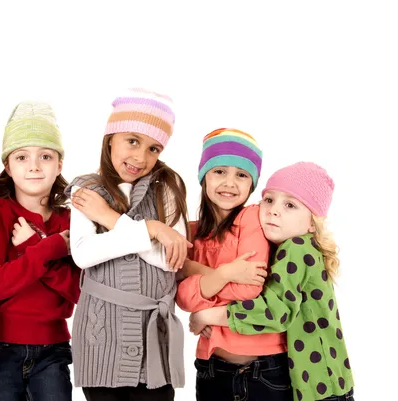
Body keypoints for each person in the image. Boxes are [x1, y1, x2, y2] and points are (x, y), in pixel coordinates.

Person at [65, 88, 191, 401]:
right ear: (110, 138)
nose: (140, 157)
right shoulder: (86, 189)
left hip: (154, 339)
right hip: (101, 339)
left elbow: (169, 260)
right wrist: (150, 229)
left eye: (153, 148)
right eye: (132, 140)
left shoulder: (167, 190)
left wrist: (109, 218)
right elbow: (84, 254)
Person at [189, 162, 355, 401]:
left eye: (290, 205)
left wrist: (207, 316)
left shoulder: (297, 248)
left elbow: (275, 313)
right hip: (318, 381)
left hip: (320, 386)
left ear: (312, 223)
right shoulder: (282, 247)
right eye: (268, 200)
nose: (273, 210)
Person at [176, 128, 291, 400]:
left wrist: (195, 279)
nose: (229, 182)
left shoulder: (251, 219)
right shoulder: (189, 233)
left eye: (241, 175)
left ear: (252, 184)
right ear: (204, 176)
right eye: (219, 171)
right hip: (211, 368)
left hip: (264, 370)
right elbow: (181, 298)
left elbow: (249, 289)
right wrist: (227, 272)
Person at [0, 101, 80, 401]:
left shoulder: (71, 221)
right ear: (8, 166)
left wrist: (30, 246)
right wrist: (50, 247)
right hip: (1, 348)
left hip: (54, 349)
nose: (34, 166)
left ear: (59, 164)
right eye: (22, 157)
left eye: (45, 156)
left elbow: (78, 291)